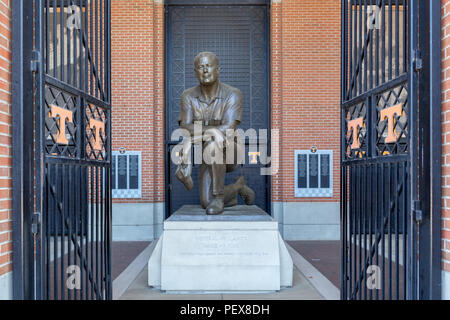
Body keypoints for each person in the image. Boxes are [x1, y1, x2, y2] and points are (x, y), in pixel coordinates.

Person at [176, 51, 255, 215]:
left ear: (218, 69)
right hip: (207, 152)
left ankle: (219, 197)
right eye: (200, 67)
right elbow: (185, 127)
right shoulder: (188, 96)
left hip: (231, 150)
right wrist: (209, 132)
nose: (205, 70)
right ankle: (238, 187)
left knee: (213, 143)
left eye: (208, 66)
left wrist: (192, 140)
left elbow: (228, 129)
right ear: (195, 72)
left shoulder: (232, 94)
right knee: (206, 202)